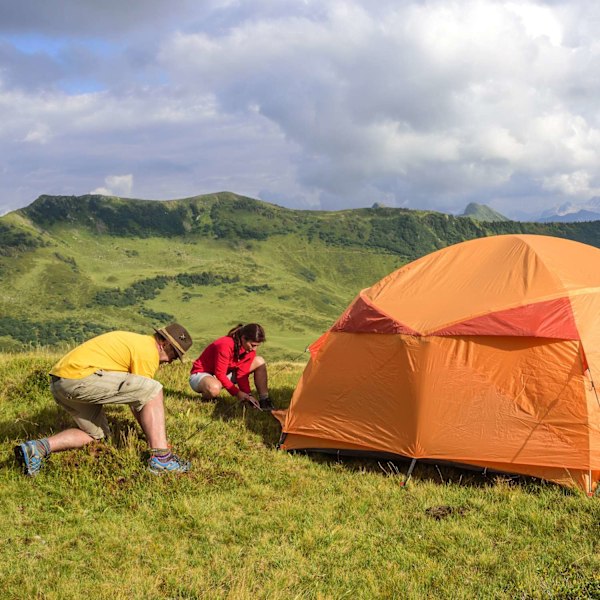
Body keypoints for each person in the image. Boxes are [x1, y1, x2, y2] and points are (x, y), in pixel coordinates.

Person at [14, 323, 193, 476]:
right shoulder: (148, 351)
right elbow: (142, 398)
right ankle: (162, 459)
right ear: (163, 343)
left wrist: (150, 436)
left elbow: (136, 399)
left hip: (61, 382)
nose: (172, 361)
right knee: (154, 388)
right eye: (174, 354)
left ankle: (37, 448)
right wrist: (155, 441)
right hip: (78, 378)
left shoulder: (138, 342)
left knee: (96, 436)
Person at [189, 323, 274, 411]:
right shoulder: (225, 344)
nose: (254, 349)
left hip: (224, 375)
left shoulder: (249, 350)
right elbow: (220, 374)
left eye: (257, 346)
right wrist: (237, 393)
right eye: (252, 345)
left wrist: (248, 396)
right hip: (201, 374)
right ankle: (208, 398)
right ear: (243, 338)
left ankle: (264, 400)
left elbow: (242, 375)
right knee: (214, 388)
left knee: (259, 361)